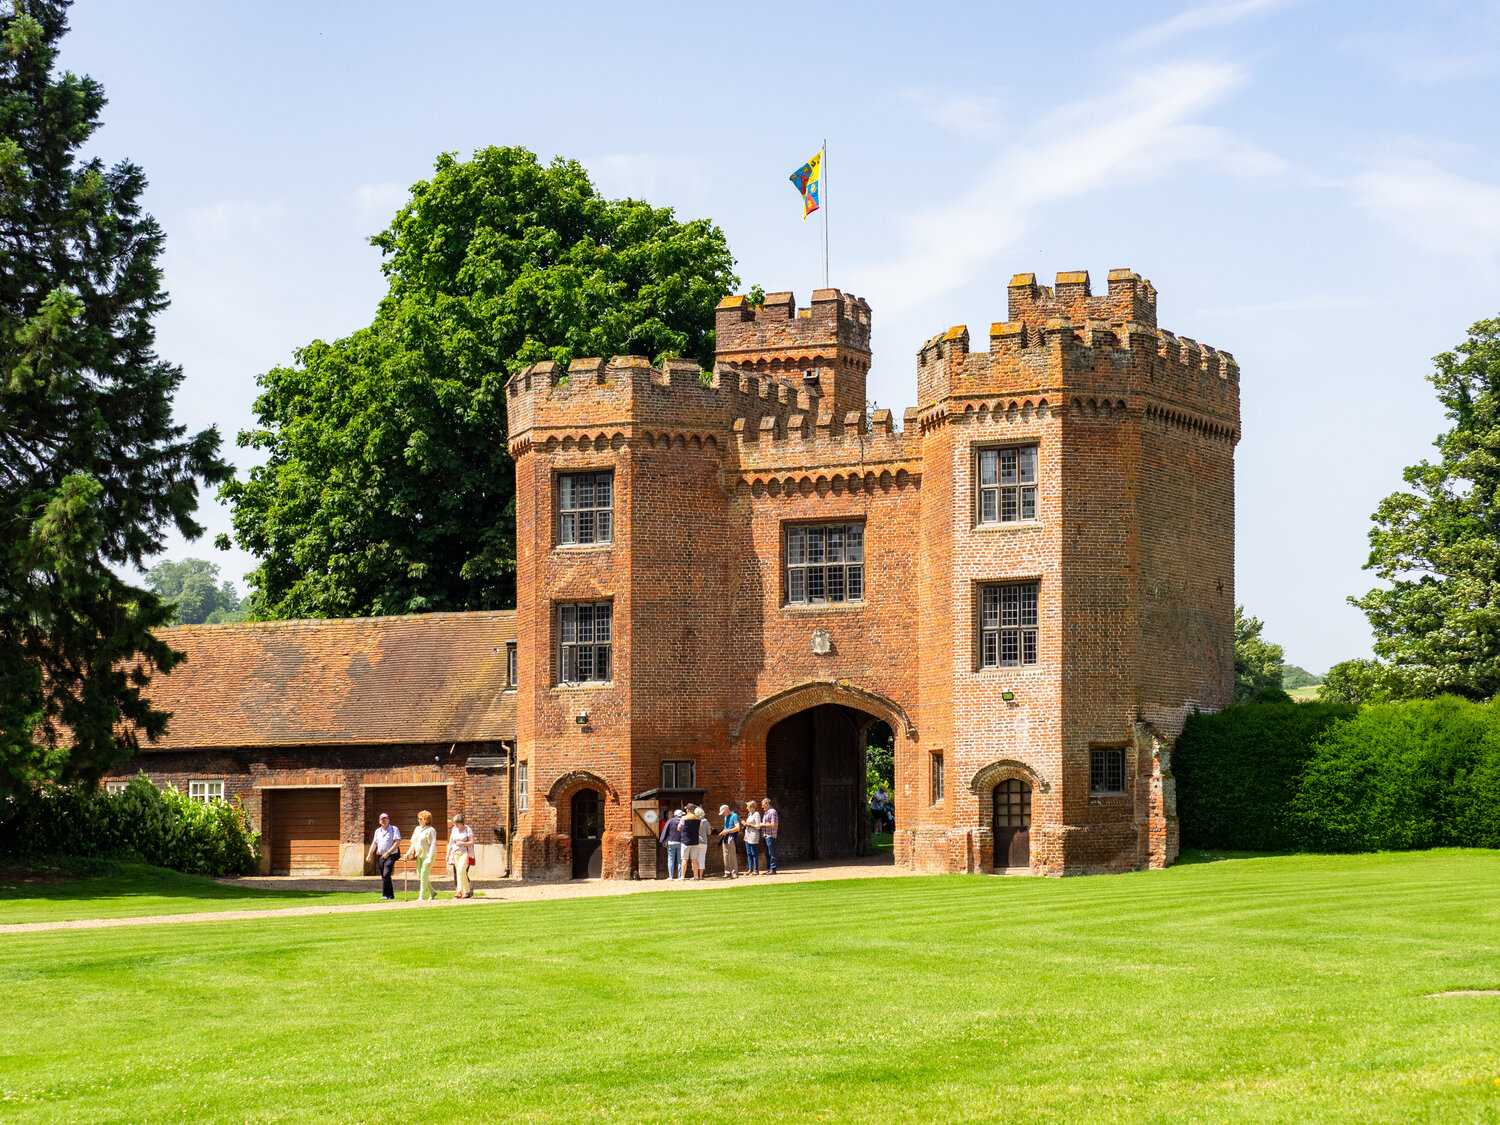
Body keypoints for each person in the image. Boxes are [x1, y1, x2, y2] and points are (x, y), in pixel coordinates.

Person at [404, 809, 439, 901]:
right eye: (418, 819)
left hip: (428, 854)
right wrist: (407, 853)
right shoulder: (417, 829)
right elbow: (413, 843)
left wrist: (429, 859)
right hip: (420, 854)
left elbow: (433, 844)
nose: (419, 820)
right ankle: (432, 892)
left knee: (424, 874)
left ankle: (421, 896)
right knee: (420, 875)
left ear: (426, 820)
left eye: (421, 819)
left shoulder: (431, 830)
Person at [367, 813, 402, 901]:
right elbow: (374, 843)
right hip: (380, 856)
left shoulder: (394, 829)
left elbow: (397, 842)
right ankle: (391, 895)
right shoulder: (377, 831)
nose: (384, 821)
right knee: (384, 876)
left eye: (385, 819)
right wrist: (369, 854)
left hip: (391, 855)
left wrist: (388, 852)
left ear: (388, 820)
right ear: (379, 821)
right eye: (382, 819)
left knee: (386, 874)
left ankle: (385, 895)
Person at [449, 813, 476, 898]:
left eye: (457, 824)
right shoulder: (454, 829)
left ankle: (459, 891)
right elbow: (451, 843)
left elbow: (472, 842)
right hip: (456, 853)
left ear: (461, 823)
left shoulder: (468, 829)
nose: (455, 825)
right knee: (460, 872)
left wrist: (462, 843)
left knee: (460, 870)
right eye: (455, 824)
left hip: (465, 853)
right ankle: (467, 892)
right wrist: (448, 854)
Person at [660, 808, 685, 880]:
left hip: (671, 842)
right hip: (680, 842)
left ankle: (671, 876)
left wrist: (662, 840)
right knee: (680, 859)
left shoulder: (670, 821)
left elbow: (664, 831)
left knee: (671, 859)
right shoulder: (682, 821)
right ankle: (679, 875)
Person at [717, 803, 741, 878]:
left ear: (727, 810)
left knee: (732, 855)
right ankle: (727, 872)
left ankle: (734, 872)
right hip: (725, 837)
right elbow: (726, 827)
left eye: (723, 813)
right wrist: (722, 832)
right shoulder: (725, 818)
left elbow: (737, 828)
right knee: (726, 855)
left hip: (732, 837)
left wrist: (727, 831)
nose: (723, 815)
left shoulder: (734, 816)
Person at [680, 806, 703, 880]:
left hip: (685, 841)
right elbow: (700, 827)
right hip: (695, 841)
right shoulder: (699, 819)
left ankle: (682, 876)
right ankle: (696, 876)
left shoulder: (684, 818)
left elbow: (679, 827)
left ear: (688, 810)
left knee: (684, 859)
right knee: (694, 859)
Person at [742, 801, 762, 875]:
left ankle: (756, 869)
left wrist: (748, 825)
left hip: (754, 835)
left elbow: (758, 826)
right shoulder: (749, 814)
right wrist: (744, 823)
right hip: (747, 835)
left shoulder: (756, 814)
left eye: (748, 807)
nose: (747, 808)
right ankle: (750, 869)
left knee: (754, 853)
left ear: (752, 807)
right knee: (749, 852)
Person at [693, 806, 712, 879]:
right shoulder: (706, 822)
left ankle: (695, 875)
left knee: (695, 859)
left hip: (695, 841)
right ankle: (701, 876)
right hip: (704, 842)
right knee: (702, 858)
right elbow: (709, 832)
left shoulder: (694, 821)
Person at [760, 798, 779, 874]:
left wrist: (762, 824)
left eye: (763, 804)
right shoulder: (766, 812)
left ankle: (773, 869)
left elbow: (772, 824)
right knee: (767, 853)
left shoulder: (772, 812)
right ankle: (769, 869)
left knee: (772, 853)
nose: (762, 806)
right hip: (765, 835)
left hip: (770, 835)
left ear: (768, 804)